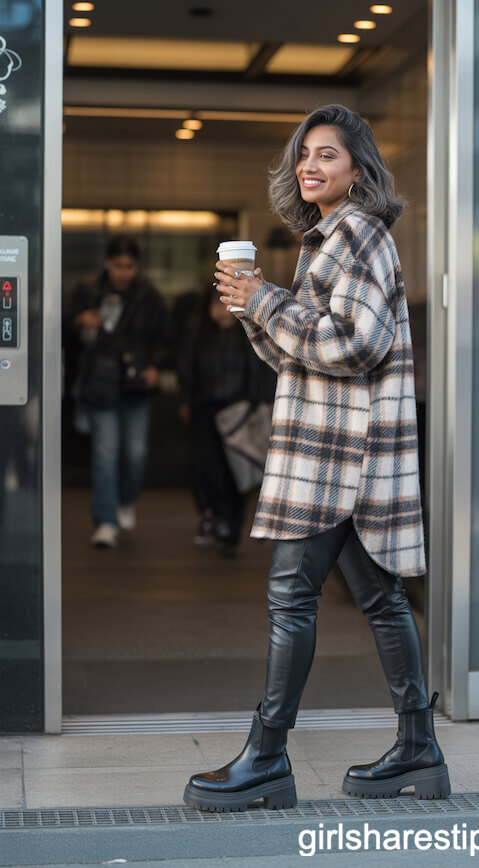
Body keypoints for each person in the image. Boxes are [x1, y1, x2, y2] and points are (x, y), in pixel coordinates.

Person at [183, 104, 450, 811]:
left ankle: (267, 760)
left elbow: (356, 346)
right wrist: (254, 308)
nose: (309, 164)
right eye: (304, 153)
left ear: (357, 169)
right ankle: (418, 749)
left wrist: (268, 300)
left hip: (336, 458)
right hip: (341, 453)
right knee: (381, 599)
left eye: (327, 154)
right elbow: (299, 357)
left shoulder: (356, 231)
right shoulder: (323, 239)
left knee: (291, 598)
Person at [67, 235, 168, 548]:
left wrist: (156, 366)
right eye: (118, 265)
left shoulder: (149, 295)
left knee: (135, 454)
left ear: (136, 266)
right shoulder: (88, 290)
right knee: (105, 454)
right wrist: (79, 321)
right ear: (108, 263)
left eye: (129, 266)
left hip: (135, 384)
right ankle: (106, 520)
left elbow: (165, 338)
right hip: (101, 382)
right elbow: (64, 332)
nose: (124, 271)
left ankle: (125, 501)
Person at [177, 284, 275, 556]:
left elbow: (263, 369)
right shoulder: (197, 330)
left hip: (240, 410)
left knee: (238, 470)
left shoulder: (250, 330)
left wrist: (261, 404)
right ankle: (217, 519)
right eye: (216, 304)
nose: (221, 310)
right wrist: (185, 400)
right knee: (207, 468)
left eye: (226, 303)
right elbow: (186, 367)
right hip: (205, 408)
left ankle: (230, 526)